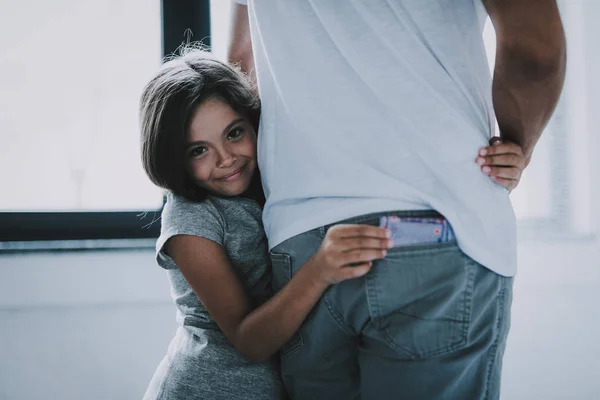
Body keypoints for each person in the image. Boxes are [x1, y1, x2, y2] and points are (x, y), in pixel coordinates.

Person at [228, 0, 566, 399]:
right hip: (437, 221)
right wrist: (518, 144)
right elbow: (536, 50)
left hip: (301, 243)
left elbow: (240, 64)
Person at [138, 48, 394, 400]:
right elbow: (249, 341)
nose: (226, 158)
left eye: (234, 133)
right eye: (199, 150)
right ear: (173, 158)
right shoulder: (189, 217)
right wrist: (320, 267)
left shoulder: (271, 182)